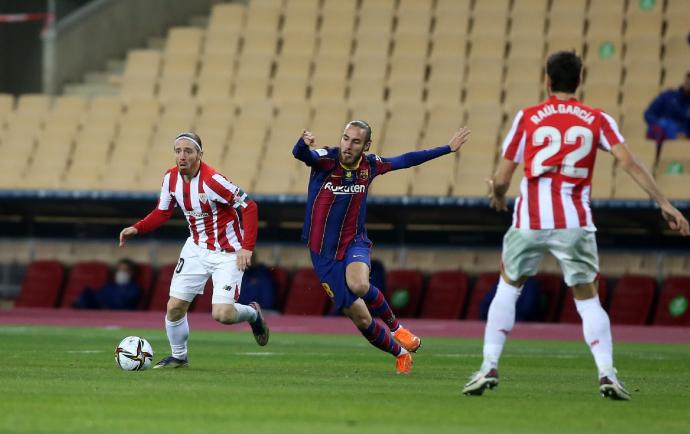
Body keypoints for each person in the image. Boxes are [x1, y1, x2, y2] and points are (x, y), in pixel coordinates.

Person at [462, 51, 690, 400]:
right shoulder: (596, 118)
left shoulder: (528, 117)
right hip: (574, 221)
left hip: (531, 220)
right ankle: (607, 374)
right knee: (587, 300)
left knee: (508, 287)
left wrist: (497, 193)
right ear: (579, 81)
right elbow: (628, 162)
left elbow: (505, 176)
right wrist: (664, 203)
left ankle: (489, 366)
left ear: (547, 81)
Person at [293, 121, 470, 374]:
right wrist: (302, 143)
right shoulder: (326, 159)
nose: (348, 145)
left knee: (359, 284)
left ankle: (398, 329)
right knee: (362, 318)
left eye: (355, 141)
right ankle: (401, 354)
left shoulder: (370, 165)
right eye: (345, 138)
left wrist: (447, 148)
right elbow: (301, 155)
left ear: (366, 145)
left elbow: (406, 159)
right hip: (322, 252)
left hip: (354, 240)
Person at [119, 132, 269, 369]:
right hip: (196, 248)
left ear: (200, 154)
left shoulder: (212, 181)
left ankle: (252, 314)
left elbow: (249, 207)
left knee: (223, 315)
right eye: (178, 151)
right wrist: (137, 228)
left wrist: (247, 248)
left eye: (188, 151)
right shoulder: (170, 178)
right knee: (174, 306)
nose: (182, 156)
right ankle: (179, 356)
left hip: (227, 253)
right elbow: (162, 212)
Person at [644, 71, 690, 149]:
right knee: (662, 125)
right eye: (687, 83)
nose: (687, 86)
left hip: (679, 135)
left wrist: (686, 133)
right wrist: (657, 123)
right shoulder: (668, 96)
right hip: (661, 127)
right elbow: (648, 113)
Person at [73, 258, 141, 310]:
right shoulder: (110, 286)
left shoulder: (134, 289)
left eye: (125, 270)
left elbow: (122, 304)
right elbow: (98, 297)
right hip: (99, 310)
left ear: (132, 272)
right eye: (119, 270)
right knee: (87, 293)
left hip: (117, 314)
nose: (121, 272)